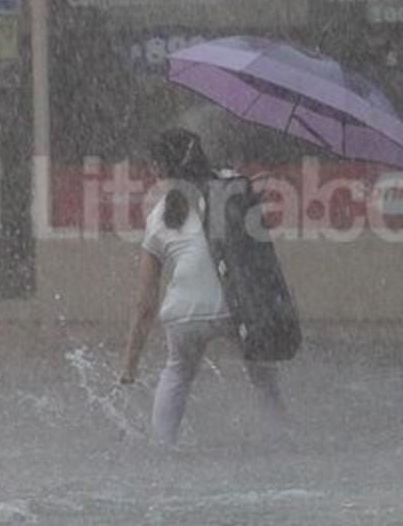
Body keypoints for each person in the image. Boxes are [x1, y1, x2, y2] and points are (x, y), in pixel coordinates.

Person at [118, 127, 287, 446]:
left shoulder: (159, 216)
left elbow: (145, 301)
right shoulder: (231, 188)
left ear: (160, 168)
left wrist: (129, 366)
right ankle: (284, 442)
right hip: (235, 308)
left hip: (183, 315)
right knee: (264, 378)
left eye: (154, 166)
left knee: (177, 373)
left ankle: (162, 448)